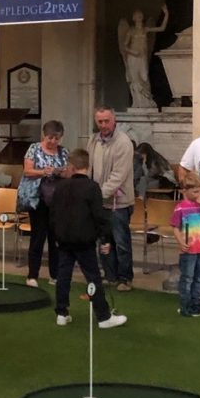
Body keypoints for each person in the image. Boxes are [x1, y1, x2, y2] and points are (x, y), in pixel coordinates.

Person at [48, 149, 127, 330]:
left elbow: (53, 214)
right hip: (84, 240)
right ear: (87, 166)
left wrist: (56, 235)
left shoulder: (60, 187)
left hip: (64, 240)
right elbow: (99, 216)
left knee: (63, 276)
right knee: (93, 277)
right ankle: (104, 316)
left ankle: (62, 313)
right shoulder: (92, 187)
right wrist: (105, 238)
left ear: (71, 167)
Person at [17, 120, 69, 288]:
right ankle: (32, 275)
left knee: (55, 238)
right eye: (50, 138)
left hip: (57, 200)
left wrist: (61, 172)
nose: (53, 142)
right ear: (44, 136)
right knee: (38, 237)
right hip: (37, 199)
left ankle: (55, 274)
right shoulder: (34, 149)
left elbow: (68, 171)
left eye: (57, 138)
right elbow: (27, 170)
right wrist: (43, 171)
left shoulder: (63, 152)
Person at [89, 107, 135, 291]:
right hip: (100, 201)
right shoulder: (93, 140)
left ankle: (125, 278)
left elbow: (119, 175)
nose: (103, 125)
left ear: (114, 120)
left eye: (107, 121)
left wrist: (97, 194)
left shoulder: (123, 142)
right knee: (104, 241)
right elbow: (89, 168)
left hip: (119, 201)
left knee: (121, 241)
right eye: (100, 121)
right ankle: (110, 275)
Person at [170, 171, 200, 317]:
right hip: (189, 249)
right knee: (187, 277)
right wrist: (180, 242)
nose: (198, 194)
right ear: (185, 191)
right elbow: (175, 226)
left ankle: (196, 303)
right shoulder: (181, 207)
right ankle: (185, 305)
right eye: (195, 191)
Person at [118, 5, 168, 109]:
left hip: (142, 57)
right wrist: (133, 52)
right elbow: (124, 46)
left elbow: (162, 28)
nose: (139, 17)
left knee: (144, 77)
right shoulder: (131, 30)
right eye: (137, 15)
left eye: (140, 15)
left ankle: (146, 101)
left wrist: (166, 14)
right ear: (134, 18)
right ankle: (138, 103)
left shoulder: (146, 29)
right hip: (133, 57)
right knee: (135, 79)